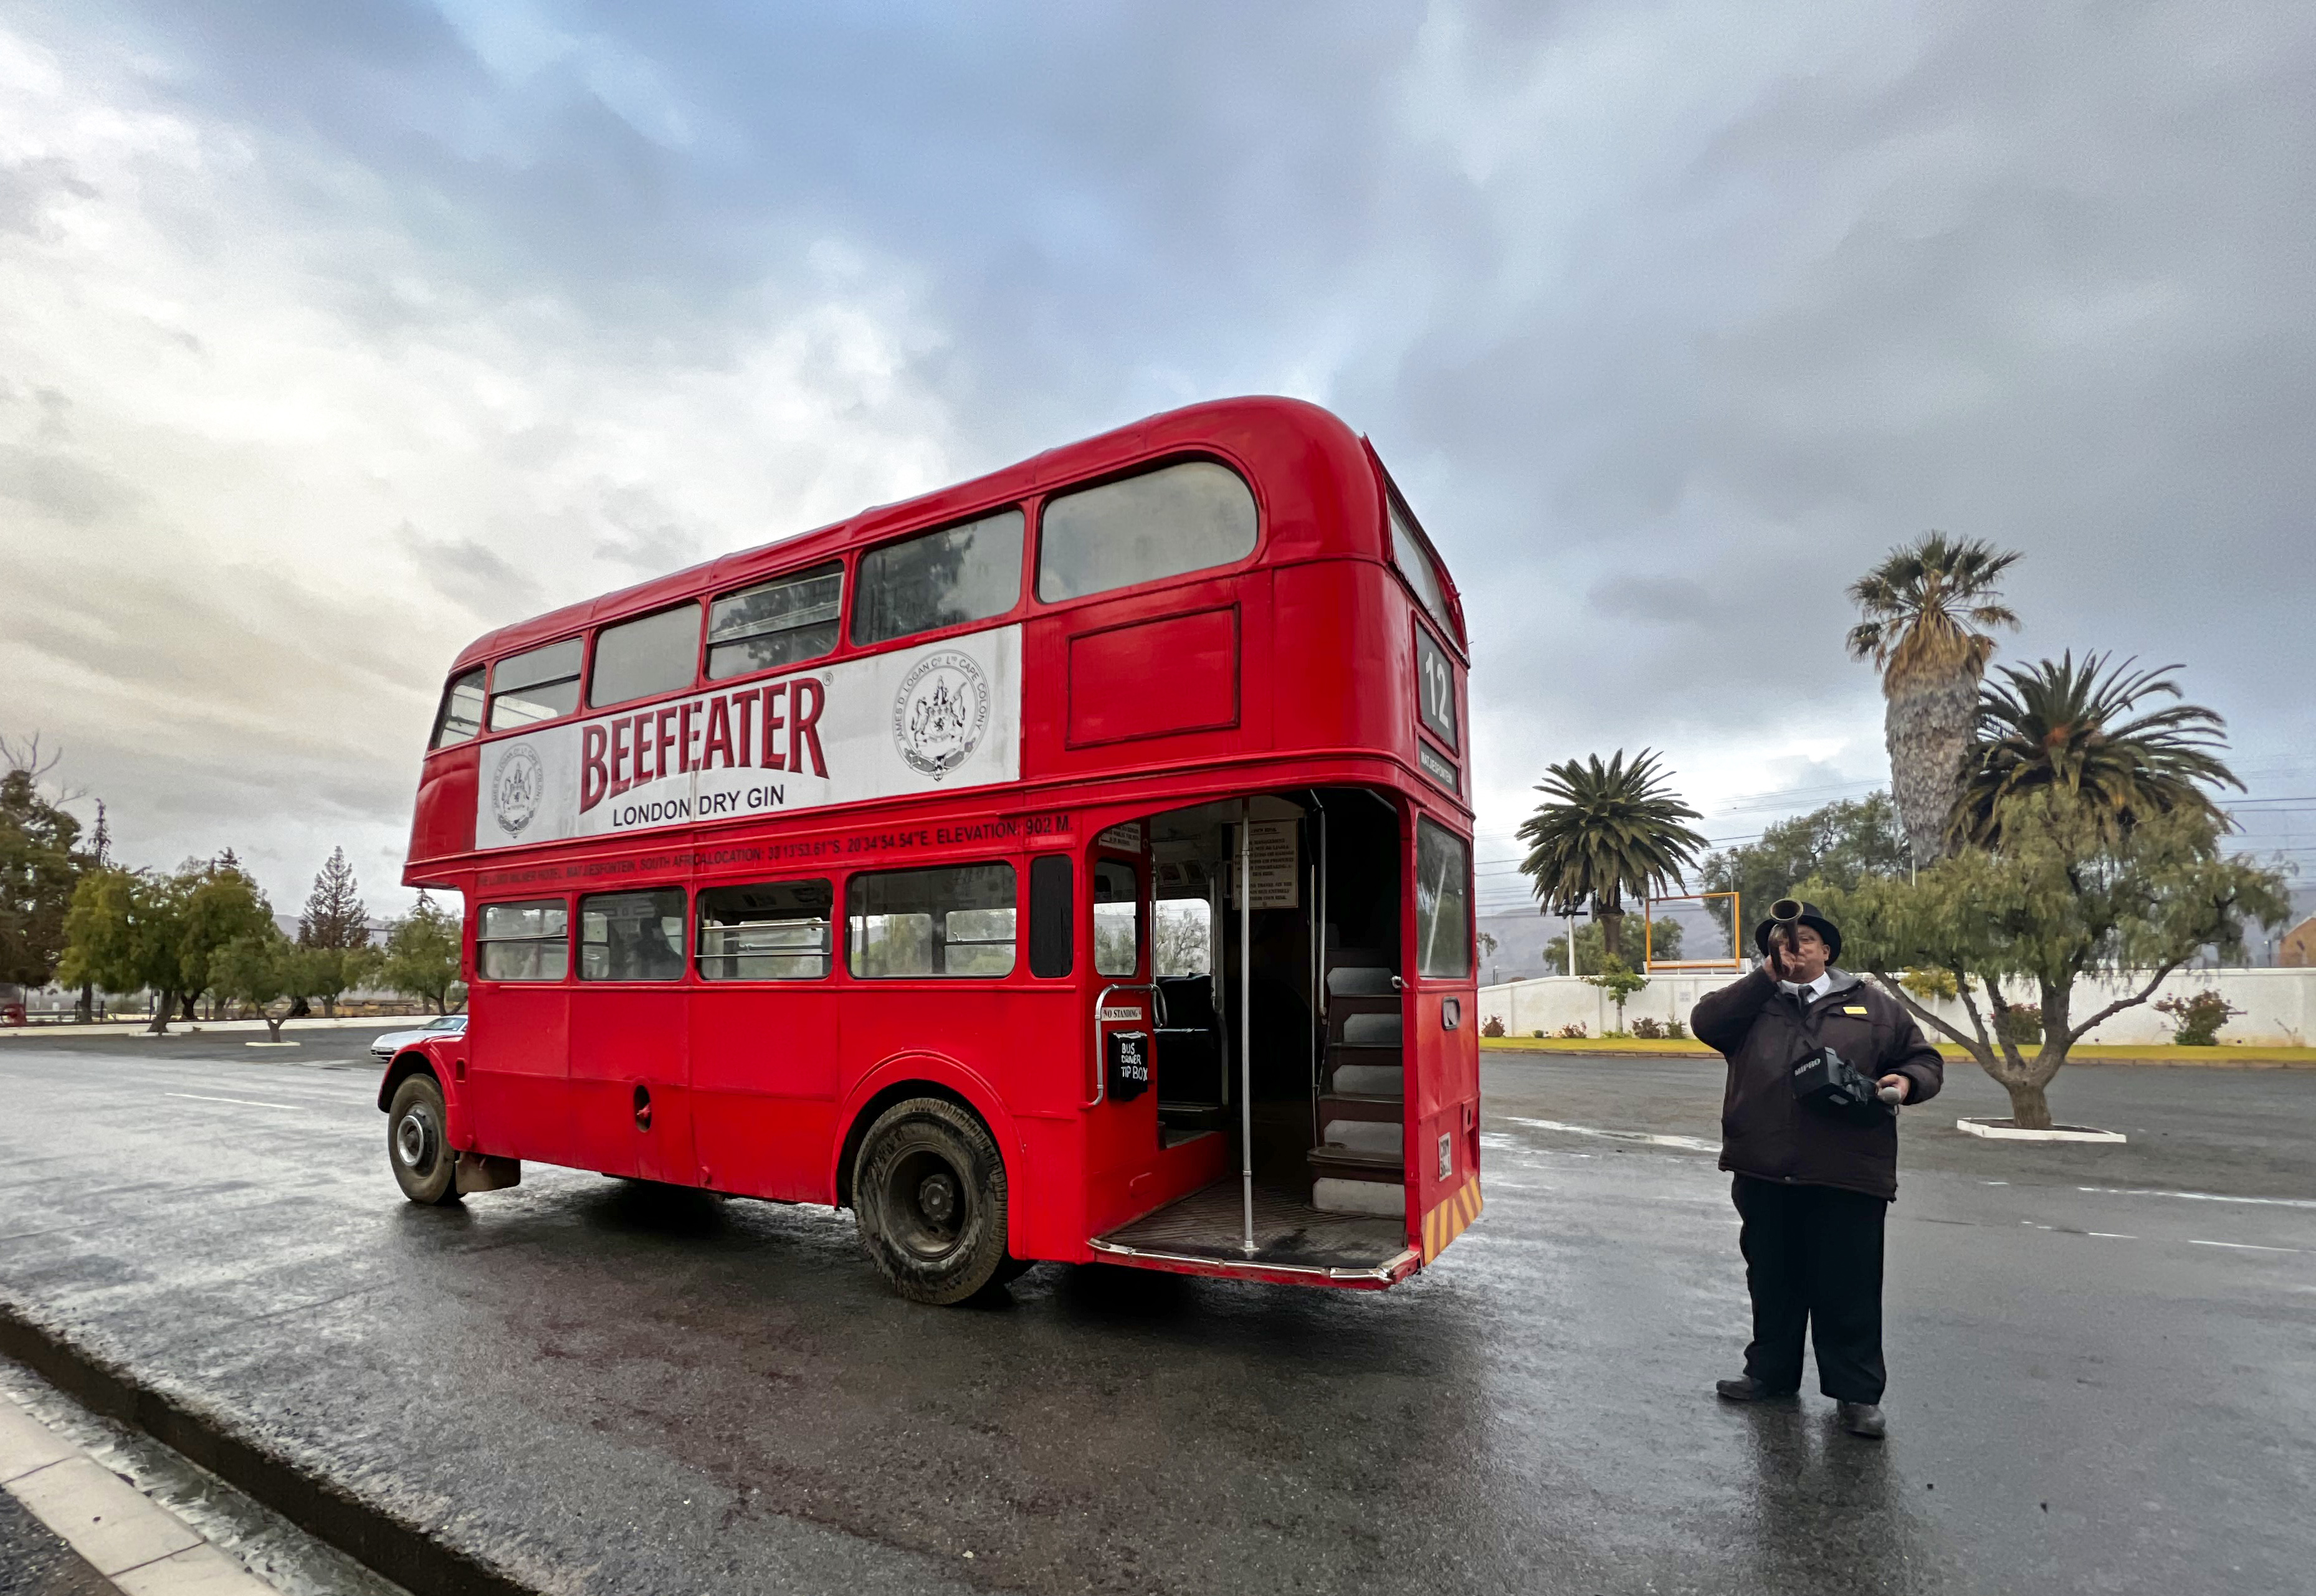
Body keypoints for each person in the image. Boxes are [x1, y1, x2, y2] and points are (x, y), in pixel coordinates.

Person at [1689, 901, 1943, 1438]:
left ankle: (1855, 1395)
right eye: (1782, 940)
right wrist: (1762, 977)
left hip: (1848, 1170)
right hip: (1763, 1168)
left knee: (1847, 1285)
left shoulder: (1873, 1005)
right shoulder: (1750, 1006)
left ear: (1826, 950)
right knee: (1772, 1279)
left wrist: (1901, 1085)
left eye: (1805, 939)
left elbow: (1923, 1061)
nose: (1793, 947)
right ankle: (1770, 1375)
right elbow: (1704, 1023)